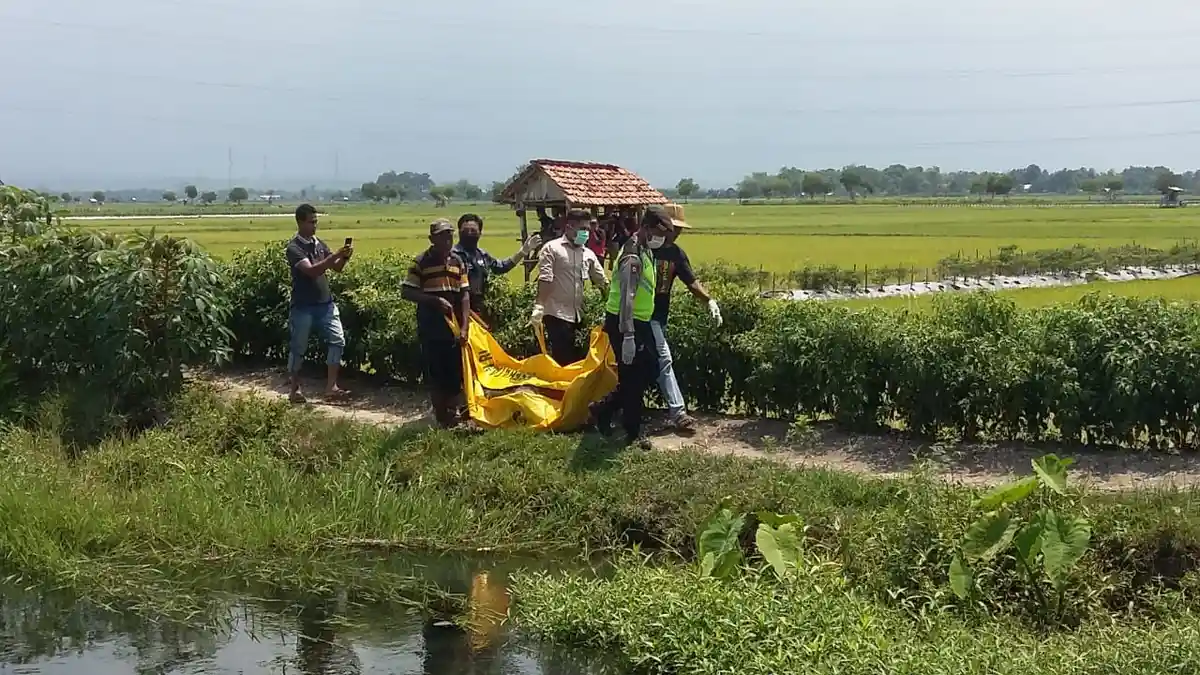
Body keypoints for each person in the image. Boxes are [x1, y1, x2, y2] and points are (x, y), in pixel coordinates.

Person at [591, 204, 675, 447]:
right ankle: (633, 432)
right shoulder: (632, 254)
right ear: (646, 228)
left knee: (647, 370)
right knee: (632, 375)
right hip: (624, 321)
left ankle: (602, 409)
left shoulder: (646, 250)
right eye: (659, 234)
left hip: (641, 321)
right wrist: (627, 335)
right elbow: (627, 295)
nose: (661, 239)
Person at [650, 203, 722, 431]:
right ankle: (678, 413)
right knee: (664, 359)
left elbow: (691, 282)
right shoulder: (642, 248)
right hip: (640, 316)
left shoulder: (676, 254)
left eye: (680, 229)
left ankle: (605, 407)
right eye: (674, 228)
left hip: (659, 316)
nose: (678, 232)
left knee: (644, 365)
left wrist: (709, 300)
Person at [402, 219, 472, 428]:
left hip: (453, 328)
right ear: (432, 239)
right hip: (431, 327)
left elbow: (465, 295)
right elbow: (407, 291)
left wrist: (465, 326)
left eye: (450, 236)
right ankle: (441, 415)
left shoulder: (458, 262)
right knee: (436, 371)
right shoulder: (421, 262)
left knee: (455, 371)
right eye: (442, 236)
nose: (447, 240)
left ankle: (453, 413)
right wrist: (434, 301)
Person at [285, 203, 352, 403]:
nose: (314, 226)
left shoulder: (319, 244)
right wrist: (336, 255)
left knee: (337, 340)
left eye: (316, 221)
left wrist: (345, 257)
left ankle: (331, 387)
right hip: (303, 306)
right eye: (311, 222)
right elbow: (313, 270)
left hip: (325, 303)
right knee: (299, 348)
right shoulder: (294, 248)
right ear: (299, 222)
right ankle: (295, 389)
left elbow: (336, 268)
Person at [532, 209, 608, 366]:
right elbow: (545, 279)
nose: (586, 233)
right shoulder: (552, 248)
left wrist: (612, 304)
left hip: (578, 315)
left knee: (578, 360)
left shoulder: (588, 254)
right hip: (556, 314)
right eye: (582, 229)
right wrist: (539, 306)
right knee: (563, 359)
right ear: (569, 227)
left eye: (588, 229)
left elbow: (602, 281)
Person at [452, 213, 541, 318]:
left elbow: (502, 267)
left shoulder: (483, 255)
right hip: (459, 311)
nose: (470, 233)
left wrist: (523, 252)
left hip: (480, 310)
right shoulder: (452, 256)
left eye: (473, 231)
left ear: (480, 233)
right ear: (459, 232)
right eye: (466, 231)